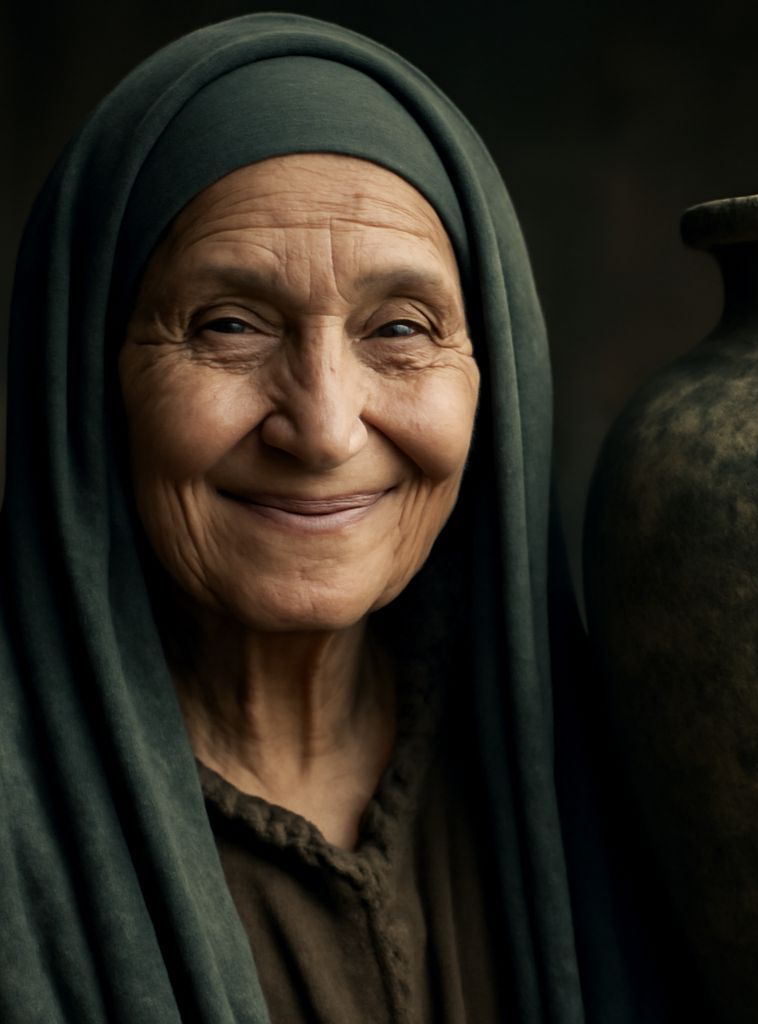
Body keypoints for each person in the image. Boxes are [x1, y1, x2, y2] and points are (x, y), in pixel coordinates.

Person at [0, 12, 657, 1024]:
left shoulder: (619, 779)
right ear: (88, 378)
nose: (321, 428)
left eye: (400, 329)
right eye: (228, 325)